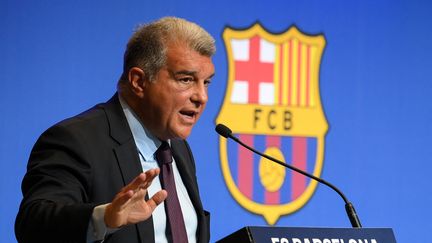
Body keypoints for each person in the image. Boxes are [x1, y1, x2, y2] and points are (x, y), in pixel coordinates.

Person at [15, 16, 215, 243]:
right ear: (139, 81)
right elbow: (33, 225)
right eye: (186, 80)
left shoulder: (177, 149)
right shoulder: (75, 140)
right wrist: (105, 218)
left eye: (206, 82)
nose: (202, 97)